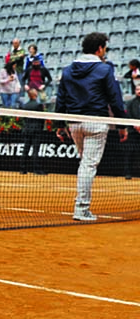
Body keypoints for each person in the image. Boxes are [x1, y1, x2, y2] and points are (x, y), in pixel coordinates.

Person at [55, 32, 127, 221]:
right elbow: (115, 98)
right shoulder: (104, 69)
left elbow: (60, 99)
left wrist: (59, 125)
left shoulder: (67, 70)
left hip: (74, 124)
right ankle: (81, 208)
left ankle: (81, 201)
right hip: (96, 122)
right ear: (100, 49)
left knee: (84, 164)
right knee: (88, 166)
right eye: (105, 48)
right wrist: (122, 124)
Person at [20, 88, 46, 175]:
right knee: (35, 150)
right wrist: (41, 128)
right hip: (36, 130)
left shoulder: (25, 105)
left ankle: (22, 169)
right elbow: (42, 119)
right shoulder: (38, 105)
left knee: (25, 149)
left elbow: (24, 118)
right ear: (35, 95)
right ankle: (36, 169)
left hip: (27, 129)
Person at [124, 84, 140, 180]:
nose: (139, 91)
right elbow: (128, 116)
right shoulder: (130, 103)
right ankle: (128, 173)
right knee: (130, 152)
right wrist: (136, 126)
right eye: (137, 89)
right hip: (133, 132)